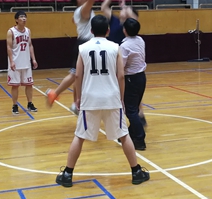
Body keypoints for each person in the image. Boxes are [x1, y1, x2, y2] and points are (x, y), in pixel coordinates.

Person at [55, 15, 150, 187]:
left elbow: (78, 75)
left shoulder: (83, 48)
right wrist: (121, 97)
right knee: (124, 135)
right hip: (111, 97)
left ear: (91, 30)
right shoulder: (115, 47)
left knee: (79, 136)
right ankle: (136, 172)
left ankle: (67, 174)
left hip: (90, 98)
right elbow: (121, 76)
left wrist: (78, 97)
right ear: (108, 30)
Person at [46, 0, 96, 113]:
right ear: (79, 0)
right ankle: (55, 93)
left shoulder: (80, 11)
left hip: (83, 43)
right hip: (85, 44)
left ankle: (75, 103)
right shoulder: (83, 10)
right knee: (75, 75)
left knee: (80, 76)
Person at [121, 17, 147, 150]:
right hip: (141, 77)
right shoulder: (140, 40)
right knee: (134, 108)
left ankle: (140, 139)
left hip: (130, 79)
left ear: (124, 30)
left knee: (130, 111)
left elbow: (121, 66)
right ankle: (131, 134)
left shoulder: (124, 46)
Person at [7, 10, 38, 114]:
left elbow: (30, 45)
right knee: (15, 85)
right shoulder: (11, 31)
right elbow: (9, 47)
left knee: (29, 84)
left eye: (25, 17)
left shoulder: (28, 31)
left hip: (26, 63)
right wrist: (11, 61)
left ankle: (30, 103)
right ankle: (14, 105)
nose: (24, 18)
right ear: (16, 20)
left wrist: (33, 59)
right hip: (15, 63)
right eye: (21, 17)